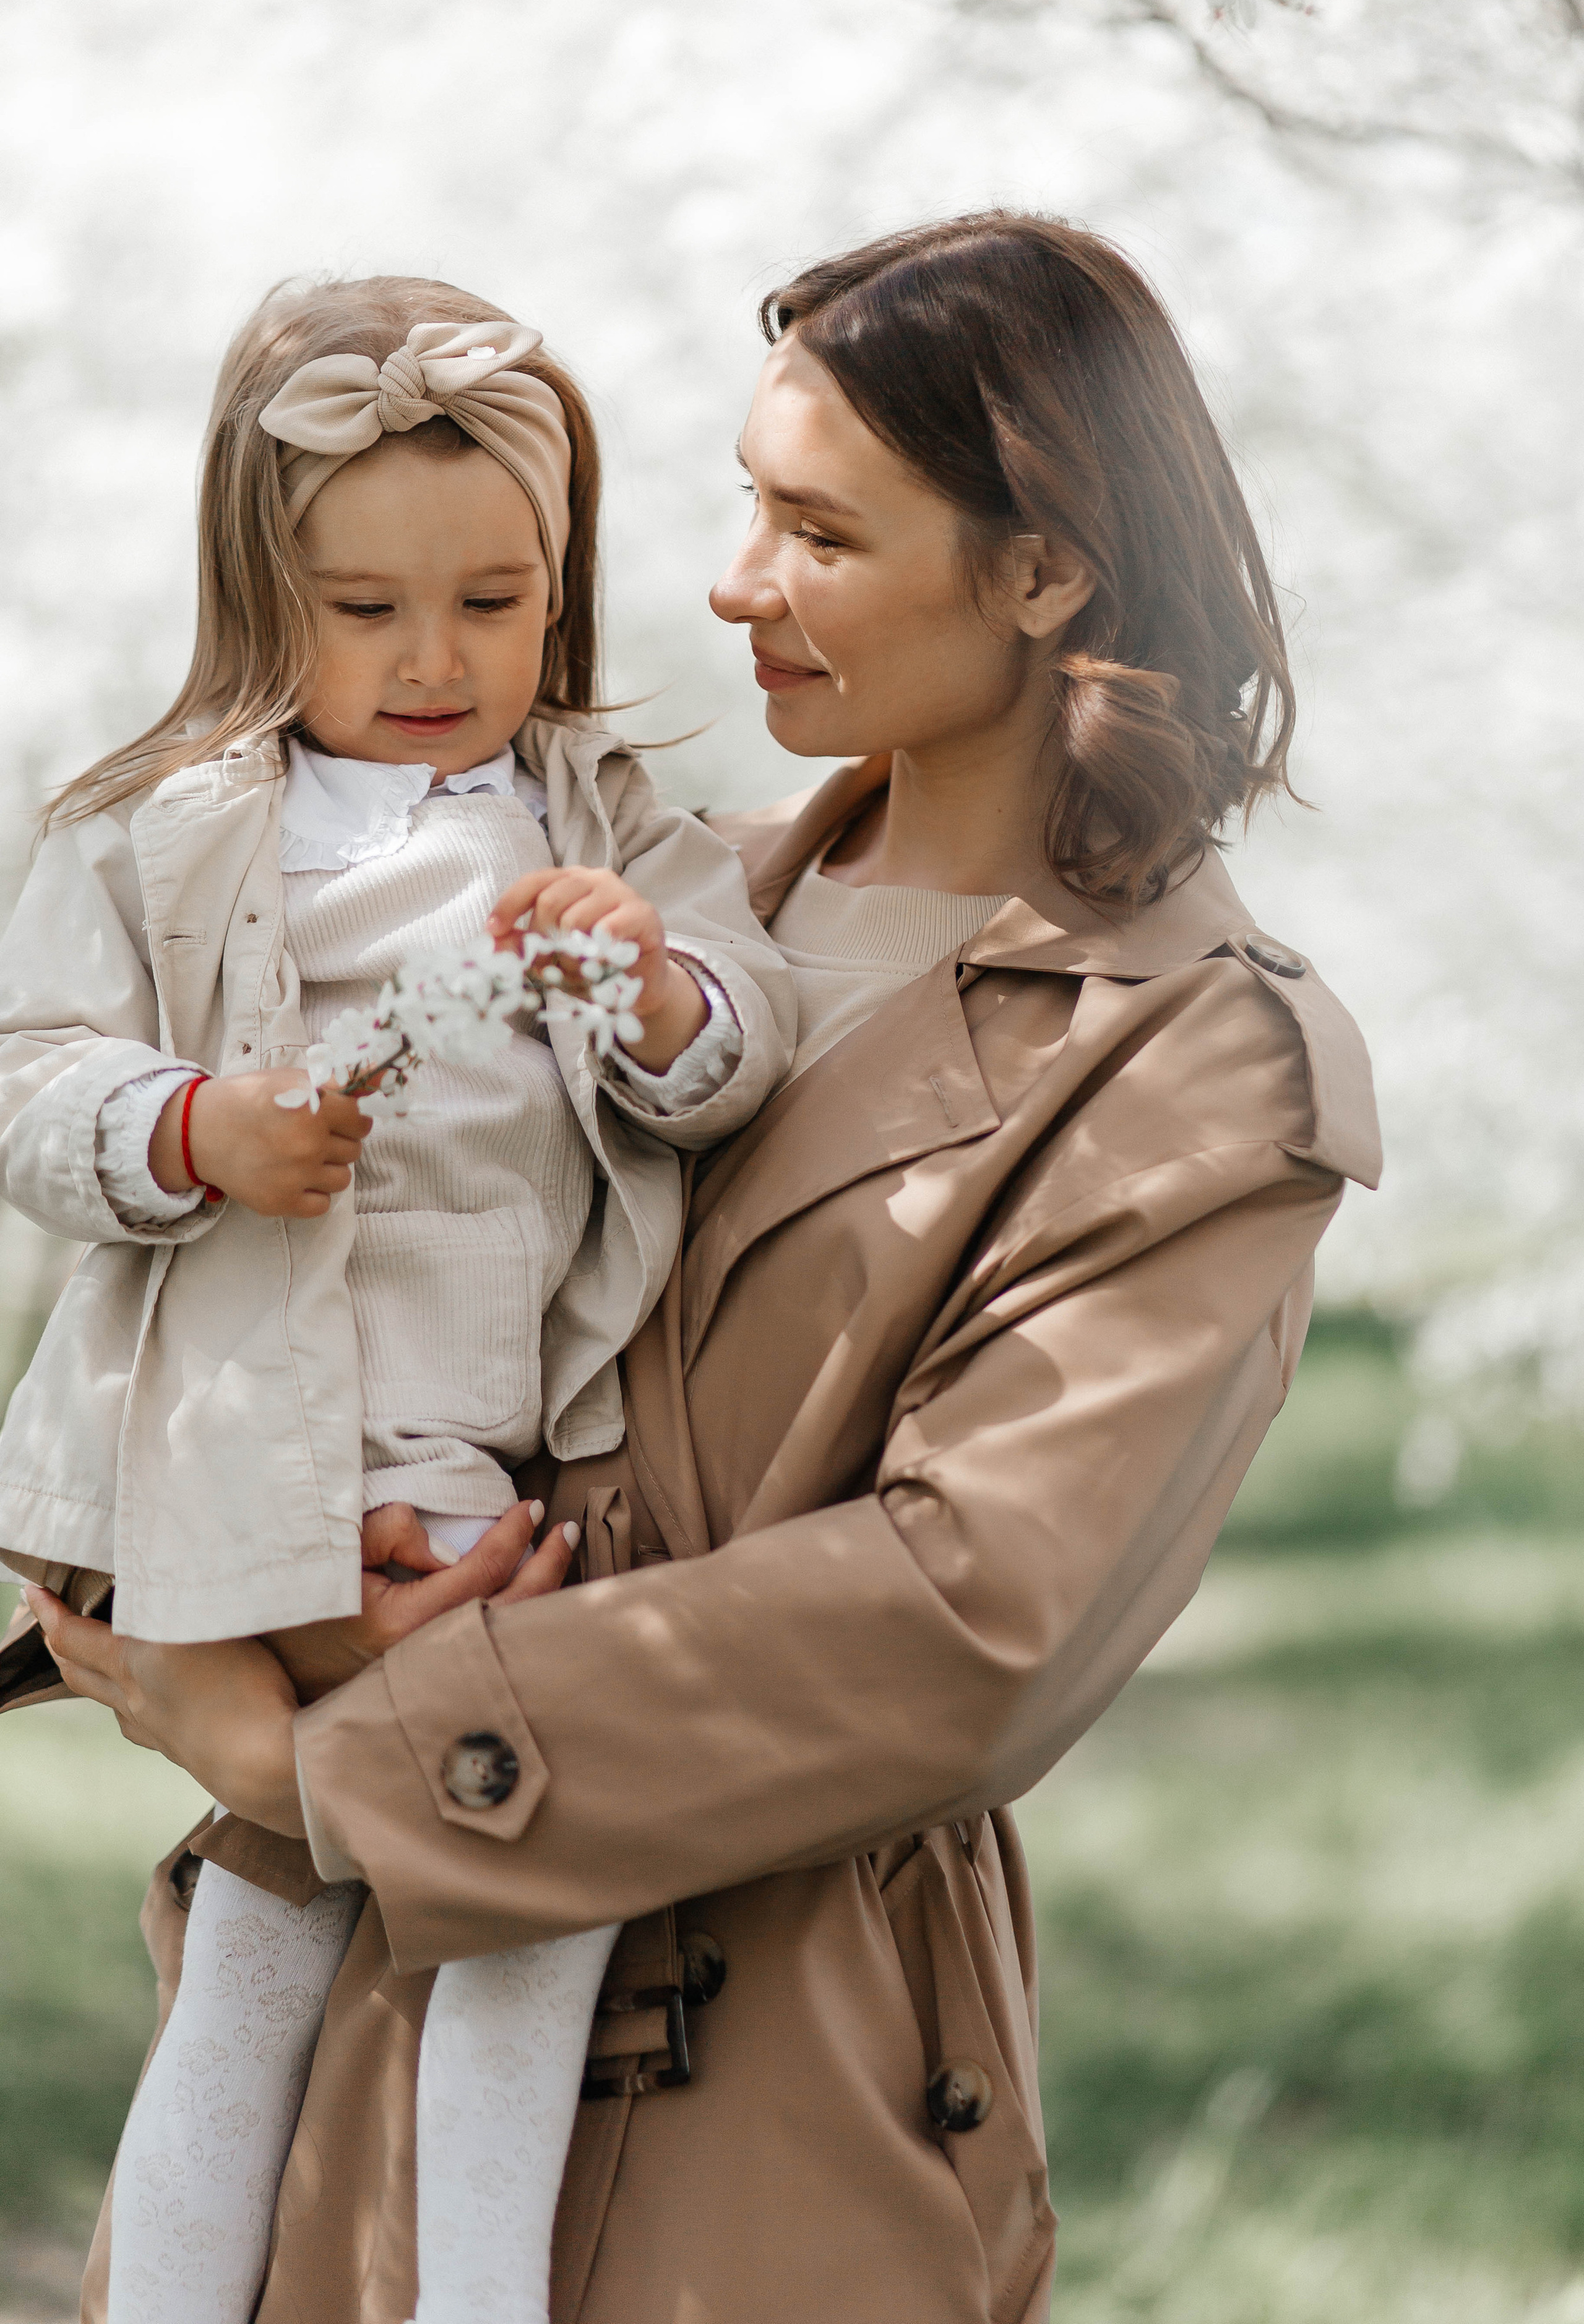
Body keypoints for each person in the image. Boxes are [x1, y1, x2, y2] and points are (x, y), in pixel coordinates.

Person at [30, 212, 1380, 2324]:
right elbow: (244, 1272)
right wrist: (225, 1604)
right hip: (341, 2055)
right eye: (746, 503)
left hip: (750, 2082)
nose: (735, 582)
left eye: (819, 533)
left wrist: (321, 1758)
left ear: (1044, 572)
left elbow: (967, 1621)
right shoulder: (633, 886)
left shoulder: (1195, 1061)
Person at [0, 276, 793, 2324]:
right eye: (364, 610)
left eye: (493, 603)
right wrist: (192, 1128)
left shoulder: (598, 815)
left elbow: (743, 1046)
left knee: (358, 1910)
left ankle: (456, 2292)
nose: (435, 662)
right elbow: (28, 1076)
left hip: (471, 1447)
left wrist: (654, 987)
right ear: (261, 596)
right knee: (498, 1864)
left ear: (562, 590)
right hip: (240, 1432)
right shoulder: (164, 824)